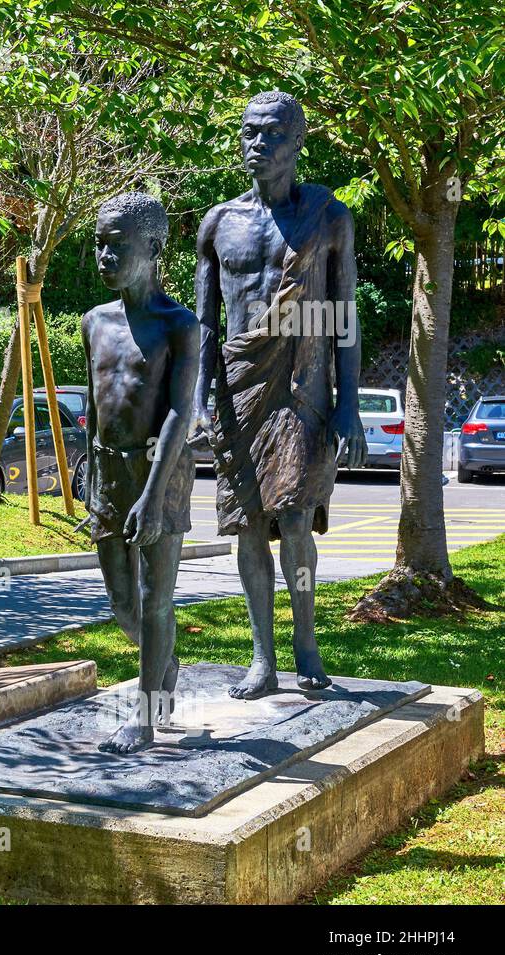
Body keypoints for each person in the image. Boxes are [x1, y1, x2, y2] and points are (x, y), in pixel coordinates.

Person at [192, 92, 366, 700]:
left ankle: (306, 646)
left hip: (302, 388)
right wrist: (197, 398)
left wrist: (348, 403)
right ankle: (261, 659)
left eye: (270, 134)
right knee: (246, 527)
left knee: (295, 520)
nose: (255, 144)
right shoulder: (219, 223)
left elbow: (344, 313)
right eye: (247, 132)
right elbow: (205, 324)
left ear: (296, 143)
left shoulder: (329, 216)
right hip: (239, 391)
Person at [82, 192, 200, 754]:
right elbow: (92, 403)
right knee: (123, 605)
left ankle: (147, 715)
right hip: (110, 476)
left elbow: (181, 410)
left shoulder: (179, 325)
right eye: (99, 244)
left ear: (152, 248)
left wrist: (153, 498)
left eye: (116, 246)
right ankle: (166, 661)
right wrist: (91, 483)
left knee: (156, 598)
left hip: (163, 474)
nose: (103, 256)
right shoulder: (93, 322)